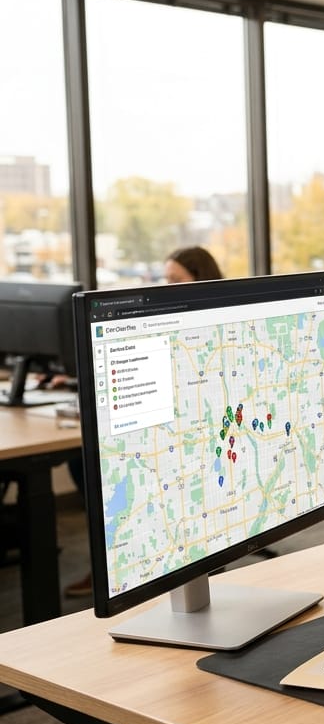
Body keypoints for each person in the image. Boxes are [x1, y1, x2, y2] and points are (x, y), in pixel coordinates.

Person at [64, 245, 225, 598]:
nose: (166, 286)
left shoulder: (210, 321)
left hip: (193, 425)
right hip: (163, 417)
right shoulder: (165, 317)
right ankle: (121, 562)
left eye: (175, 279)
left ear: (200, 279)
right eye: (164, 278)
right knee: (86, 461)